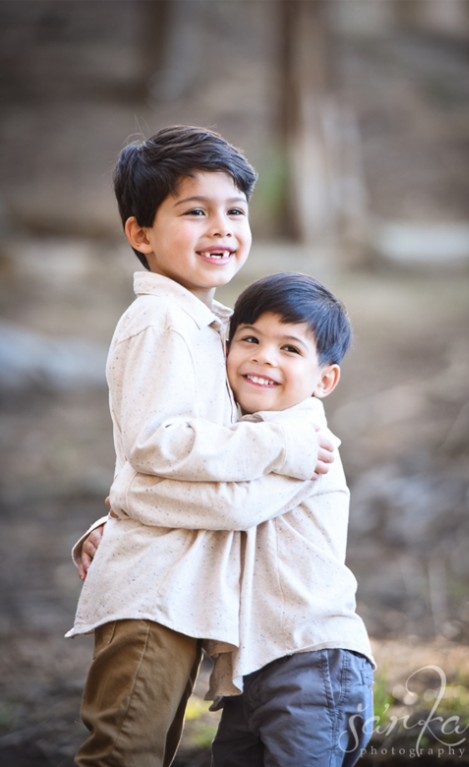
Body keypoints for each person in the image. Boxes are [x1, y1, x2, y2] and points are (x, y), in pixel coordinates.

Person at [67, 126, 334, 767]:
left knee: (145, 748)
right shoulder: (161, 321)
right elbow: (159, 445)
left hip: (181, 587)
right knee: (123, 751)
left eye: (234, 211)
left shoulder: (211, 326)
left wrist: (121, 507)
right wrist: (276, 451)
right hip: (153, 589)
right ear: (141, 235)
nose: (221, 227)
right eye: (195, 211)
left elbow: (161, 457)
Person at [88, 272, 375, 766]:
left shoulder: (305, 441)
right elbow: (202, 495)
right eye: (250, 339)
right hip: (252, 669)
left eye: (290, 349)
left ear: (325, 379)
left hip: (313, 658)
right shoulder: (240, 436)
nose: (264, 356)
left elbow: (230, 509)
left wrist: (125, 506)